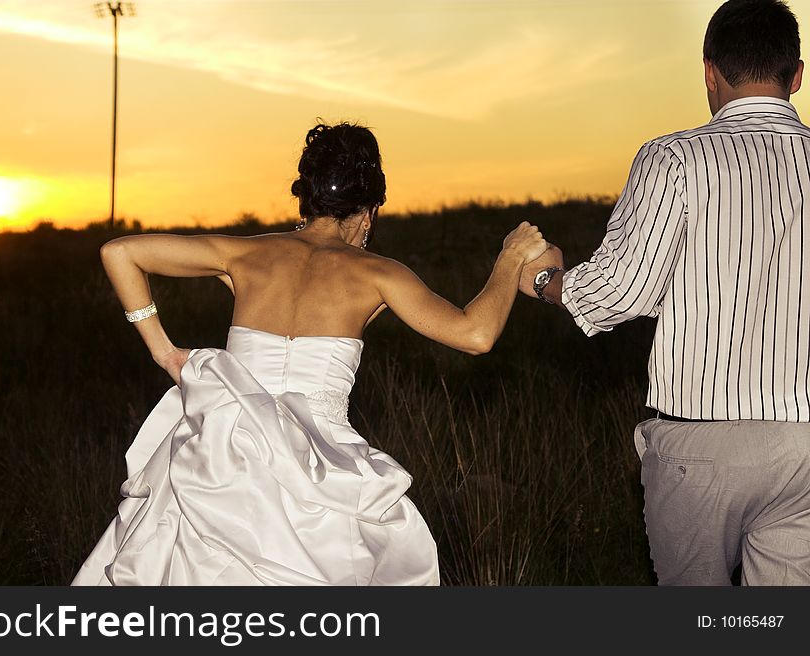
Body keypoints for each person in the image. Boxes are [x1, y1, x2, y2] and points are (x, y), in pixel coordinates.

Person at [72, 122, 547, 586]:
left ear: (308, 198)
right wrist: (508, 259)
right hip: (318, 471)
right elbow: (476, 334)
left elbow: (120, 252)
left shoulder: (244, 254)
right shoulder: (379, 273)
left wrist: (167, 354)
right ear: (368, 210)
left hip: (222, 454)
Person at [521, 0, 810, 585]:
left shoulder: (675, 158)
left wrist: (547, 280)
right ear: (797, 75)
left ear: (709, 71)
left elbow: (620, 290)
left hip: (701, 438)